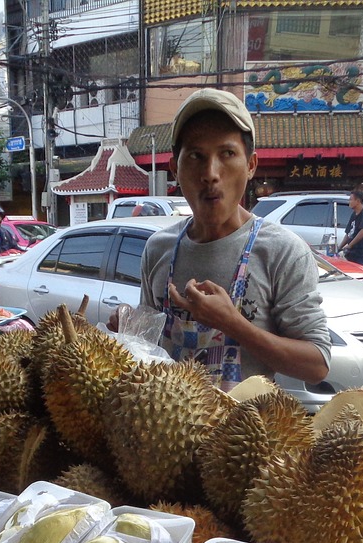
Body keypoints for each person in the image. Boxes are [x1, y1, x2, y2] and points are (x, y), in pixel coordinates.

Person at [138, 88, 330, 390]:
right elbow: (146, 348)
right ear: (175, 169)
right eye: (196, 156)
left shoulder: (283, 251)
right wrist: (125, 334)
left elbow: (317, 364)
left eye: (227, 154)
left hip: (246, 435)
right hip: (167, 434)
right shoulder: (157, 249)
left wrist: (232, 323)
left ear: (251, 165)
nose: (211, 173)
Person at [340, 188, 363, 267]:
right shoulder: (353, 214)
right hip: (351, 254)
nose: (349, 202)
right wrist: (339, 247)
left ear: (358, 201)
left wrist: (350, 245)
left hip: (361, 255)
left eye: (351, 200)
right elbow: (349, 233)